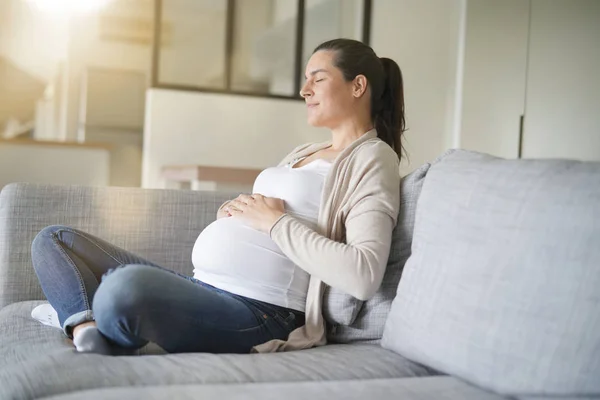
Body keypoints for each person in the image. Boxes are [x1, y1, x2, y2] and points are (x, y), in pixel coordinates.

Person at [31, 38, 405, 355]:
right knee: (54, 240)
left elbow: (362, 275)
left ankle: (84, 312)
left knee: (123, 287)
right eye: (305, 79)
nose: (304, 90)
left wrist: (274, 223)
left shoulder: (374, 158)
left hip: (260, 312)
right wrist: (237, 211)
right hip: (204, 288)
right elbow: (266, 209)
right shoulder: (304, 151)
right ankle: (84, 326)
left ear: (358, 86)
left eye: (317, 79)